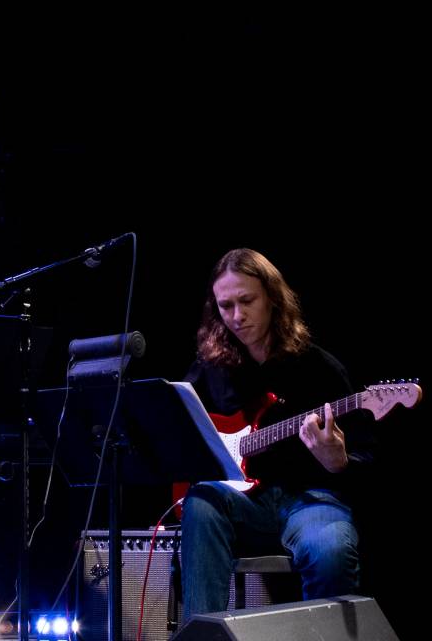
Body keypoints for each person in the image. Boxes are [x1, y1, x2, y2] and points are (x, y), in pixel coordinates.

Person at [177, 248, 367, 623]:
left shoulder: (319, 367)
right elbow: (183, 433)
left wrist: (340, 461)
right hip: (246, 505)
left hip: (311, 501)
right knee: (200, 500)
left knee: (330, 550)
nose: (236, 316)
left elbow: (369, 455)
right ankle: (204, 634)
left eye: (246, 301)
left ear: (272, 299)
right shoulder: (210, 370)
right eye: (225, 305)